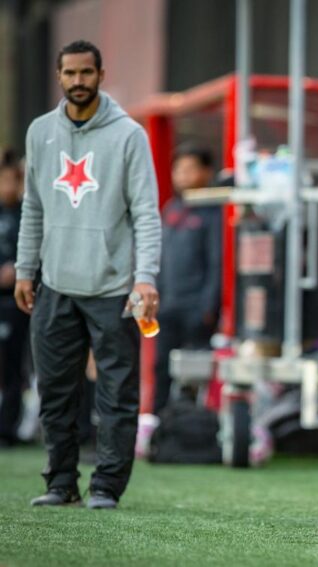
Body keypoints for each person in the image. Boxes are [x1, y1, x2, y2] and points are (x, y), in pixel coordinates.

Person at [14, 40, 161, 509]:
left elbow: (146, 213)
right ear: (59, 76)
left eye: (86, 73)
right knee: (55, 392)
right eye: (70, 74)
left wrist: (145, 277)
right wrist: (24, 269)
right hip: (54, 282)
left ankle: (106, 487)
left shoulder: (128, 135)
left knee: (117, 394)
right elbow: (32, 207)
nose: (78, 81)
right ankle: (60, 484)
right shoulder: (40, 132)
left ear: (101, 73)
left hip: (115, 287)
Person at [152, 144, 221, 415]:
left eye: (190, 169)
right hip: (168, 305)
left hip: (197, 308)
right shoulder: (171, 209)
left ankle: (193, 422)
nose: (182, 175)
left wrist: (208, 306)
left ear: (206, 172)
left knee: (195, 371)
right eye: (178, 169)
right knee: (161, 365)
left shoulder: (213, 210)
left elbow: (217, 262)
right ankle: (157, 420)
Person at [0, 149, 29, 447]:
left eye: (12, 181)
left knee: (14, 365)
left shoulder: (26, 215)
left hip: (19, 300)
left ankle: (8, 427)